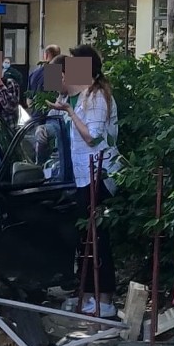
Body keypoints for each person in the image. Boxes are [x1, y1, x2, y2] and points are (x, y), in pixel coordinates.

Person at [50, 45, 119, 317]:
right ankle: (88, 294)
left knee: (98, 237)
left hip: (99, 174)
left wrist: (69, 112)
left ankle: (105, 298)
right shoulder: (78, 97)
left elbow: (93, 137)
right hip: (81, 176)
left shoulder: (98, 97)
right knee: (85, 237)